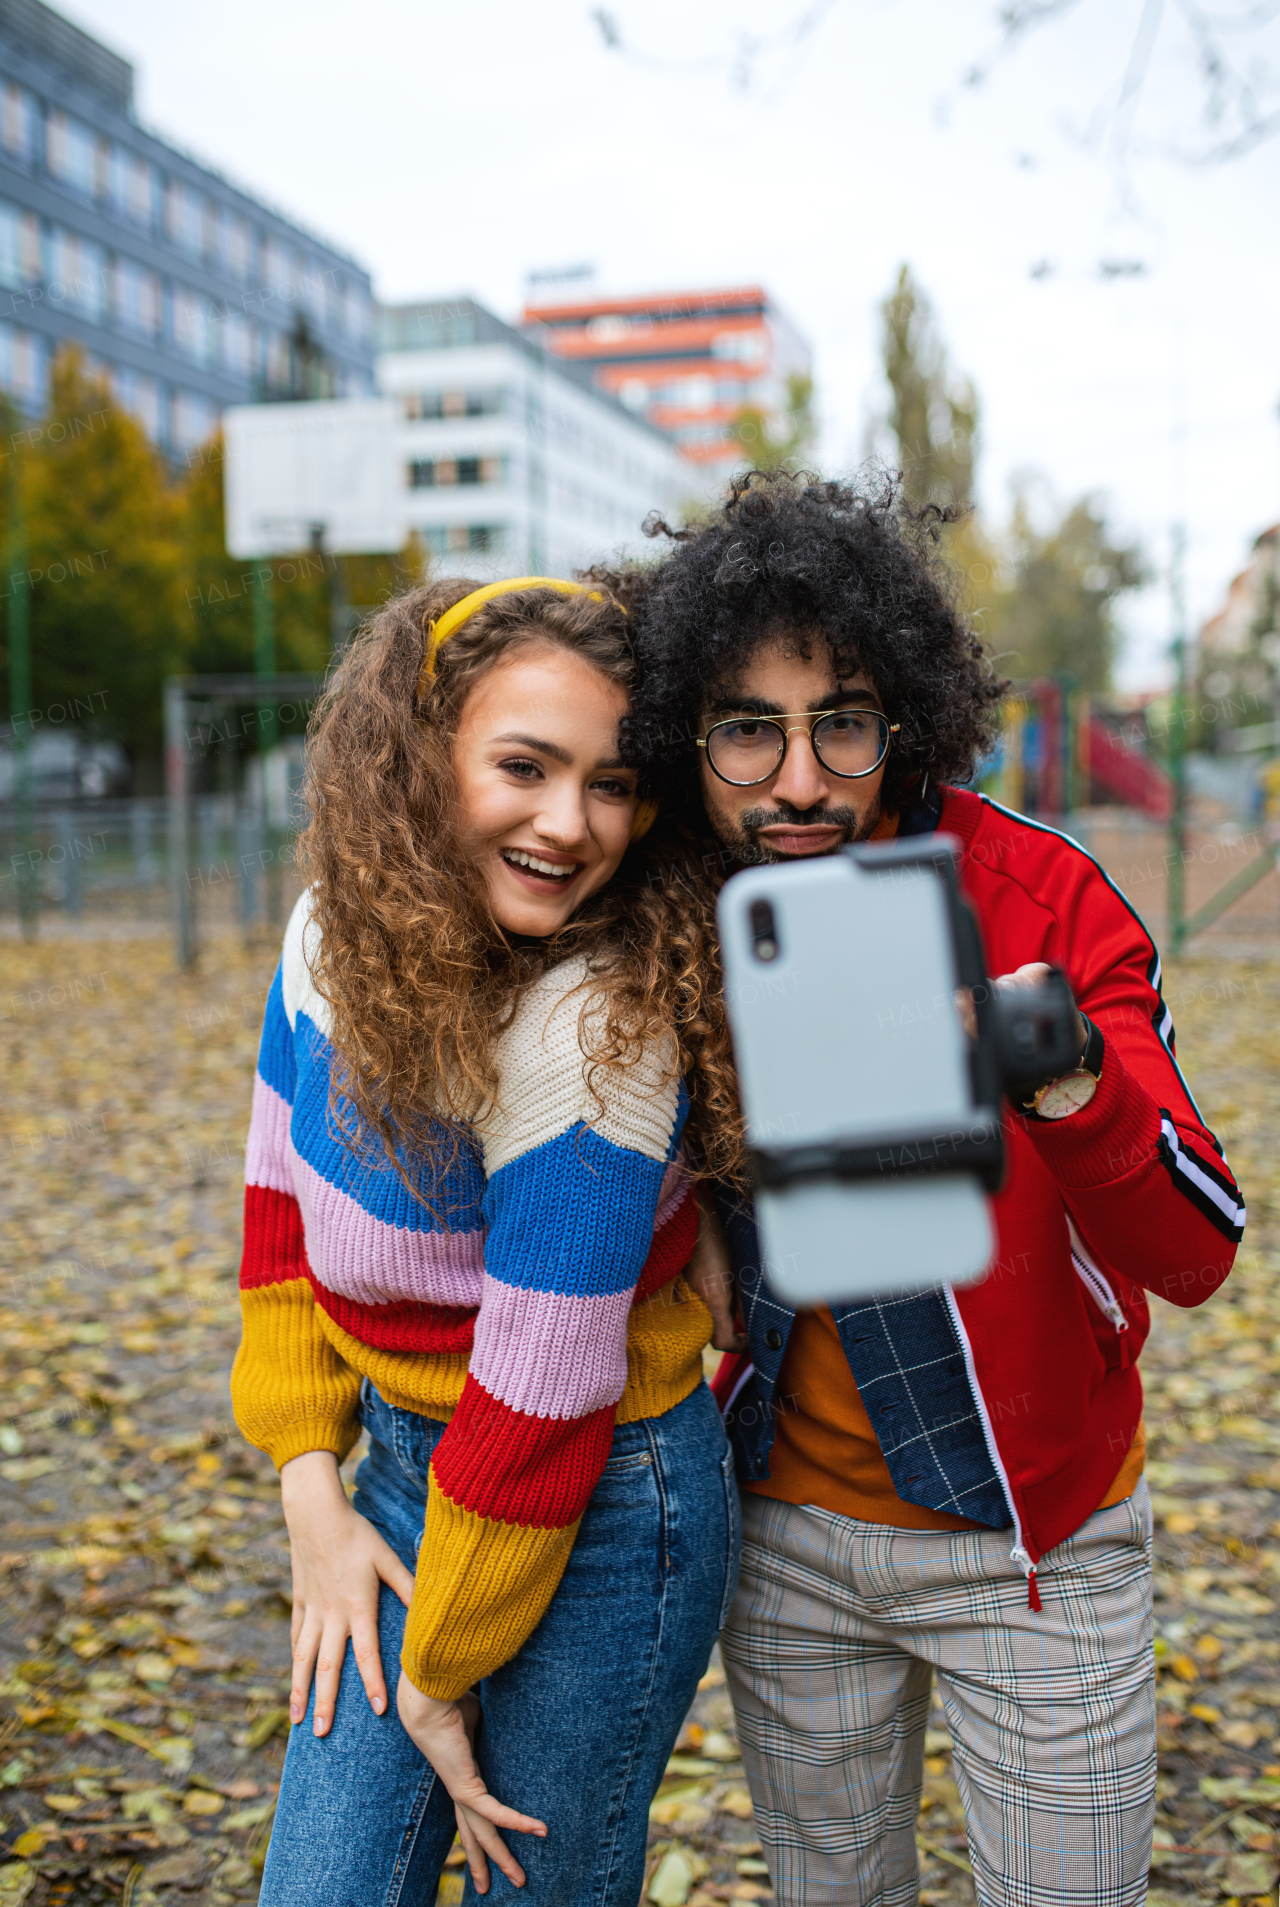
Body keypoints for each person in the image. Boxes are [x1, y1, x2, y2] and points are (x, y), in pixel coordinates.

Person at [618, 473, 1244, 1907]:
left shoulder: (1041, 898)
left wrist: (1064, 1077)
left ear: (904, 716)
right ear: (686, 737)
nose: (795, 780)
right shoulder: (662, 909)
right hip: (784, 1542)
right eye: (745, 728)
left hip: (1037, 1546)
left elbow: (1199, 1247)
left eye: (840, 722)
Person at [230, 577, 742, 1907]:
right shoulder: (326, 943)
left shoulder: (598, 1029)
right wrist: (312, 1497)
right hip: (408, 1467)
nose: (571, 825)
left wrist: (436, 1672)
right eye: (524, 765)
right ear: (416, 758)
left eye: (615, 784)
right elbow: (282, 1217)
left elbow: (541, 1391)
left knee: (542, 1891)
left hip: (607, 1498)